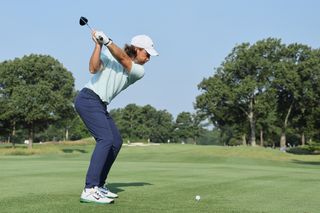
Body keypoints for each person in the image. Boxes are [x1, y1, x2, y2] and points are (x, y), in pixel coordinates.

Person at [75, 30, 158, 204]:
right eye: (147, 53)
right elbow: (93, 68)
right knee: (105, 139)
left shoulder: (138, 70)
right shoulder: (110, 53)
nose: (149, 58)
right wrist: (98, 45)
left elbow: (123, 60)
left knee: (116, 142)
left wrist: (107, 41)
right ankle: (89, 189)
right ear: (137, 48)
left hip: (100, 104)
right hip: (88, 98)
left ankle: (98, 185)